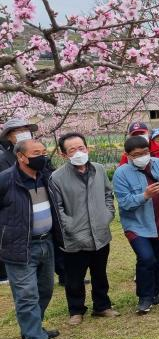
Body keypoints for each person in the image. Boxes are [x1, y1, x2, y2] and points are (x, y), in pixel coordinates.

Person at [0, 139, 63, 339]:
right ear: (21, 156)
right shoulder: (6, 180)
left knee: (45, 290)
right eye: (36, 153)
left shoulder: (45, 176)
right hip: (20, 246)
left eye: (44, 152)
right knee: (26, 295)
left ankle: (31, 329)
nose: (42, 157)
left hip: (46, 243)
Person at [49, 133, 120, 326]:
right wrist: (70, 226)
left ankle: (102, 306)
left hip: (100, 233)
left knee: (100, 273)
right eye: (72, 150)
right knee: (74, 278)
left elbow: (108, 193)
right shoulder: (57, 177)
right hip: (74, 238)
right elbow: (57, 208)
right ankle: (76, 310)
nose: (78, 152)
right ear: (64, 155)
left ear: (87, 148)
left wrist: (107, 215)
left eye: (81, 148)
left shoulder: (99, 169)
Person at [114, 136, 159, 314]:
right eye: (136, 155)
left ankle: (154, 294)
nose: (142, 156)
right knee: (146, 258)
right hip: (137, 224)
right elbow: (124, 202)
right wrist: (145, 195)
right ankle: (144, 298)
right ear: (128, 155)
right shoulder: (121, 173)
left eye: (145, 152)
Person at [0, 119, 61, 287]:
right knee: (26, 294)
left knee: (45, 289)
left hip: (46, 234)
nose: (23, 133)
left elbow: (51, 175)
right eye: (18, 131)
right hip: (19, 236)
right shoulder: (4, 163)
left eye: (25, 129)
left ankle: (64, 274)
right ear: (8, 136)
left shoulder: (41, 160)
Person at [118, 122, 159, 273]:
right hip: (141, 216)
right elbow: (124, 193)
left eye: (142, 133)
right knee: (146, 255)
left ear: (148, 133)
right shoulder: (124, 166)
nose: (139, 136)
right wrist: (145, 195)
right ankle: (145, 267)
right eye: (135, 135)